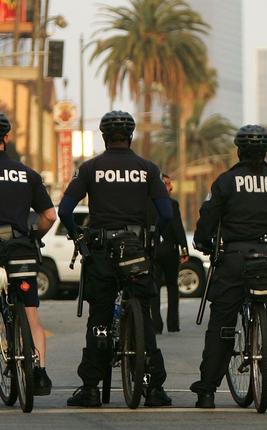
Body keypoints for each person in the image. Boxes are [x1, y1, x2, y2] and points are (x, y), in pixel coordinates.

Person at [58, 110, 173, 407]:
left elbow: (64, 211)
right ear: (130, 136)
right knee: (143, 313)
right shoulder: (147, 168)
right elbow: (167, 213)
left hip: (101, 250)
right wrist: (152, 238)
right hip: (135, 248)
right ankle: (155, 388)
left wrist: (77, 237)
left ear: (104, 136)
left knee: (99, 316)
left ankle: (91, 388)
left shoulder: (90, 168)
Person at [190, 125, 267, 410]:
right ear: (266, 152)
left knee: (222, 325)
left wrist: (204, 242)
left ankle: (206, 392)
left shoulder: (226, 182)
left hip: (234, 259)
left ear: (238, 151)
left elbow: (208, 217)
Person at [0, 112, 57, 396]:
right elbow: (49, 215)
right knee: (31, 314)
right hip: (20, 249)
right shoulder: (27, 174)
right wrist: (34, 237)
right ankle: (41, 372)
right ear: (6, 138)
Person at [151, 174, 189, 334]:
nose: (171, 187)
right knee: (172, 286)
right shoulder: (171, 204)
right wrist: (184, 249)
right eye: (167, 184)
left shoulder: (148, 202)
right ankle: (172, 324)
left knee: (155, 287)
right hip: (169, 249)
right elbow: (177, 226)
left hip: (153, 249)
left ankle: (156, 325)